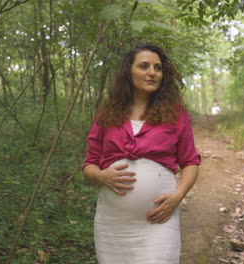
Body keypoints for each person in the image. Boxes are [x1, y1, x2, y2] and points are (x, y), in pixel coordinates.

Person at [82, 43, 201, 264]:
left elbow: (190, 162)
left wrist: (178, 196)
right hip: (113, 222)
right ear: (129, 72)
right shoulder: (108, 114)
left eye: (157, 68)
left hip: (159, 219)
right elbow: (89, 165)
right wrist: (100, 176)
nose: (152, 73)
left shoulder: (176, 114)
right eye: (144, 66)